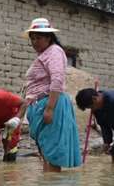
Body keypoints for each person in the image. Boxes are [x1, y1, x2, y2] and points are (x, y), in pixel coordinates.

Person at [22, 17, 82, 172]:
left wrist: (50, 108)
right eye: (32, 38)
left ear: (49, 37)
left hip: (51, 104)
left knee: (52, 151)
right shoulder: (44, 54)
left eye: (39, 37)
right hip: (41, 105)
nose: (35, 41)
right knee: (46, 150)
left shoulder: (54, 51)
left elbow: (57, 80)